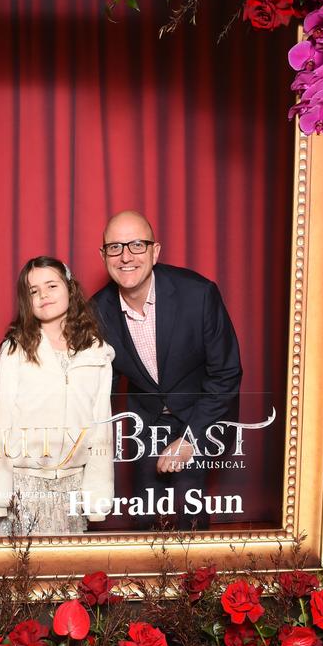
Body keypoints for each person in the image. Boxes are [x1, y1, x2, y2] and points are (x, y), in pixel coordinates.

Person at [92, 211, 242, 530]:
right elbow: (93, 382)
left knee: (190, 506)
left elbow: (226, 373)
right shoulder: (96, 311)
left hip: (202, 413)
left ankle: (196, 579)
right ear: (103, 255)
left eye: (137, 245)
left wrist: (191, 438)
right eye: (115, 247)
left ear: (155, 251)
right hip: (145, 421)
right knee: (145, 515)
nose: (126, 256)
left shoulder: (198, 294)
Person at [0, 256, 115, 536]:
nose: (43, 295)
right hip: (25, 483)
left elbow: (102, 425)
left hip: (74, 482)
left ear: (69, 288)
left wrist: (97, 497)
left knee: (69, 574)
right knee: (25, 574)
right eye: (33, 291)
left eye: (51, 285)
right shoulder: (16, 349)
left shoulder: (96, 351)